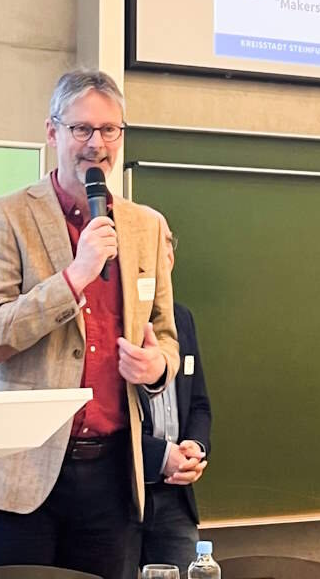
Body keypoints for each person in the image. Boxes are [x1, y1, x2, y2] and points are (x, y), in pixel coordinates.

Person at [0, 69, 179, 579]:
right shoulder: (8, 215)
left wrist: (157, 366)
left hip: (110, 479)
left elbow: (164, 334)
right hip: (17, 470)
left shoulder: (147, 225)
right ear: (52, 133)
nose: (97, 144)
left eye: (109, 130)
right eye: (81, 129)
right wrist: (75, 276)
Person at [126, 210, 212, 578]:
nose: (164, 256)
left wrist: (195, 447)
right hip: (123, 494)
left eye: (167, 246)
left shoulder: (182, 318)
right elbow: (104, 417)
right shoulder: (112, 321)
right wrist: (162, 456)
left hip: (176, 498)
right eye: (151, 247)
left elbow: (199, 403)